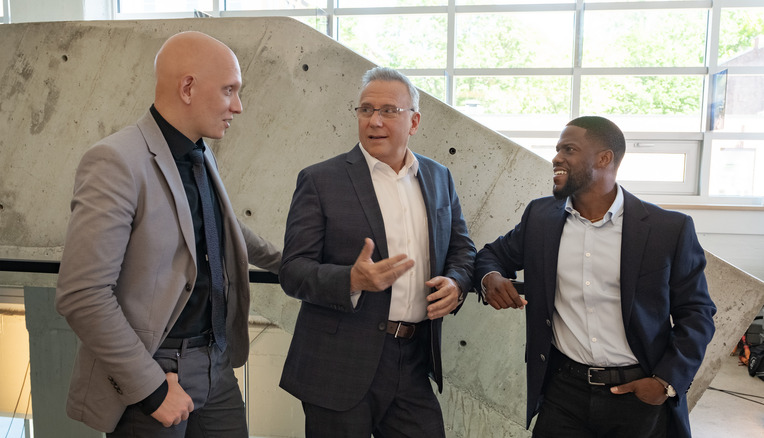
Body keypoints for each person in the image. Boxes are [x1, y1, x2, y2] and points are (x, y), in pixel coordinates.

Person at [55, 31, 281, 437]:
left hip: (217, 363)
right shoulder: (114, 161)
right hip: (153, 371)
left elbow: (221, 225)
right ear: (188, 88)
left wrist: (290, 260)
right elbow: (82, 294)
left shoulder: (199, 152)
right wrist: (153, 389)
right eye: (229, 90)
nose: (238, 106)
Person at [474, 116, 716, 438]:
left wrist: (665, 382)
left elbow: (697, 313)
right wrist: (490, 277)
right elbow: (492, 255)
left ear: (604, 159)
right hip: (563, 392)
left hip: (637, 394)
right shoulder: (541, 217)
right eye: (557, 149)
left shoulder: (667, 229)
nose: (557, 158)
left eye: (569, 149)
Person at [278, 66, 476, 437]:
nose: (374, 121)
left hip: (414, 360)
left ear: (413, 121)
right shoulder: (321, 180)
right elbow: (292, 270)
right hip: (339, 365)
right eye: (366, 110)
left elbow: (462, 248)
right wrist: (350, 279)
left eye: (389, 111)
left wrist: (456, 283)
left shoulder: (438, 177)